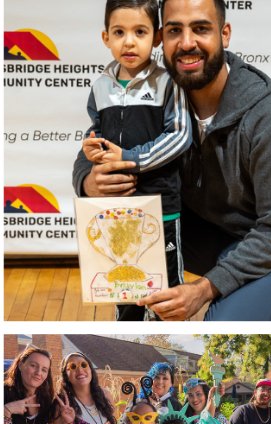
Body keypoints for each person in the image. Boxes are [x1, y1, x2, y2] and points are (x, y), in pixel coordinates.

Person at [72, 0, 271, 321]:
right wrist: (89, 180)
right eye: (175, 30)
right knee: (130, 257)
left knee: (225, 327)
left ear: (224, 34)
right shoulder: (161, 94)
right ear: (161, 38)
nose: (187, 43)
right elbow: (96, 141)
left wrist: (203, 289)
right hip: (206, 231)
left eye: (201, 28)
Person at [74, 0, 194, 321]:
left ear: (156, 37)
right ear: (105, 38)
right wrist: (93, 150)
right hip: (118, 212)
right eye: (119, 32)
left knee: (167, 293)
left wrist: (131, 159)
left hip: (162, 209)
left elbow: (180, 136)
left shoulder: (169, 82)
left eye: (139, 32)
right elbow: (97, 133)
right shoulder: (100, 86)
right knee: (125, 290)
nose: (129, 42)